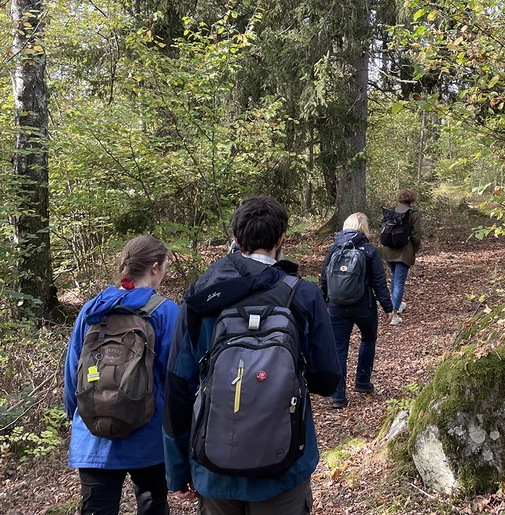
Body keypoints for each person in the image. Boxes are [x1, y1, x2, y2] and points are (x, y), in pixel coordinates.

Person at [163, 195, 341, 514]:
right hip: (284, 464)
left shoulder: (200, 297)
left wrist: (177, 471)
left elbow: (177, 388)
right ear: (281, 239)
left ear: (236, 240)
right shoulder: (303, 294)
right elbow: (327, 380)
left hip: (212, 464)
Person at [64, 235, 180, 515]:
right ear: (154, 267)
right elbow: (177, 380)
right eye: (164, 266)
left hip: (94, 439)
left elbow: (72, 375)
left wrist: (82, 418)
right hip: (148, 437)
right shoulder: (166, 311)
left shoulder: (92, 310)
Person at [319, 212, 394, 408]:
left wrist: (326, 298)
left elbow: (324, 277)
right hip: (363, 305)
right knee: (368, 340)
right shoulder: (369, 250)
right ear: (364, 228)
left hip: (337, 306)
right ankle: (362, 382)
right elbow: (379, 282)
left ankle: (338, 396)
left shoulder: (334, 248)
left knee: (339, 348)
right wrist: (388, 307)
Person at [381, 188, 422, 325]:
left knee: (394, 277)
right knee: (398, 281)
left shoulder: (391, 211)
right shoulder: (413, 214)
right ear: (412, 199)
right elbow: (416, 236)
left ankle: (397, 304)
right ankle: (394, 314)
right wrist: (414, 250)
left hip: (388, 251)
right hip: (404, 252)